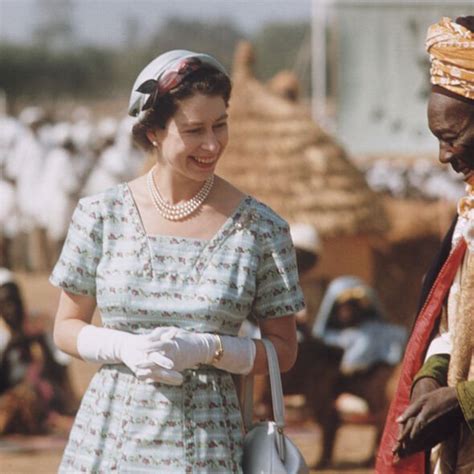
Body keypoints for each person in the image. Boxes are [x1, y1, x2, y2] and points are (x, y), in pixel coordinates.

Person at [51, 50, 304, 472]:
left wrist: (212, 348)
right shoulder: (101, 215)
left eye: (220, 125)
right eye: (194, 130)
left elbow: (284, 350)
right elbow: (64, 327)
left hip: (209, 449)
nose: (212, 144)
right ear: (153, 131)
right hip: (109, 440)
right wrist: (121, 346)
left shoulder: (261, 229)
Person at [377, 16, 474, 473]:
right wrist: (429, 381)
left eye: (452, 138)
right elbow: (453, 324)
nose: (443, 155)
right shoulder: (468, 218)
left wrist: (463, 401)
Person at [0, 268, 76, 434]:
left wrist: (41, 342)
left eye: (15, 302)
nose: (11, 309)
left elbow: (60, 368)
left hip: (45, 394)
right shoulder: (2, 335)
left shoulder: (38, 324)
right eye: (5, 305)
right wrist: (10, 347)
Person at [312, 276, 407, 376]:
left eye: (351, 306)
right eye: (343, 307)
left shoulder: (374, 332)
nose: (347, 312)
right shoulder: (327, 339)